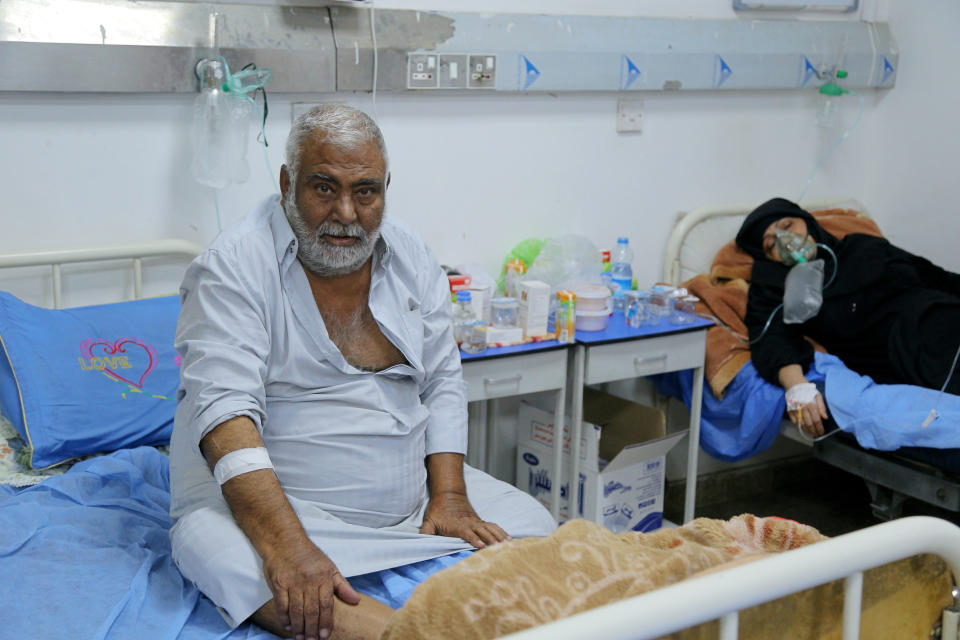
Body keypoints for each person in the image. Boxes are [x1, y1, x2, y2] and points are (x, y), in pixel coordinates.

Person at [168, 104, 555, 640]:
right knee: (225, 556)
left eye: (366, 192)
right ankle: (407, 634)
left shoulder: (411, 254)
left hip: (415, 503)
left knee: (537, 525)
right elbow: (224, 416)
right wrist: (289, 547)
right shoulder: (233, 267)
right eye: (324, 188)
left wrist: (447, 497)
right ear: (287, 183)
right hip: (281, 511)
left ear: (385, 188)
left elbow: (442, 379)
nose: (346, 213)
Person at [736, 198, 960, 438]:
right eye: (771, 245)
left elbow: (935, 276)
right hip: (913, 347)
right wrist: (796, 386)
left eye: (788, 226)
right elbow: (771, 341)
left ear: (808, 222)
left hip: (946, 312)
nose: (785, 241)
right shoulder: (782, 289)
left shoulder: (863, 246)